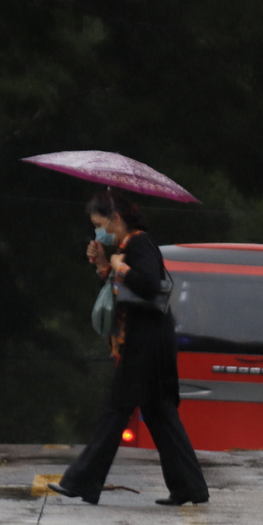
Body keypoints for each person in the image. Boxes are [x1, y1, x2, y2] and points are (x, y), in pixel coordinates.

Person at [49, 189, 210, 506]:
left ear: (116, 219)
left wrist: (118, 266)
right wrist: (102, 266)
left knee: (116, 410)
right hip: (151, 340)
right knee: (160, 413)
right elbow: (123, 292)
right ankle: (189, 487)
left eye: (99, 224)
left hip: (146, 342)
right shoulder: (126, 247)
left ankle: (83, 480)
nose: (98, 231)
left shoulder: (139, 242)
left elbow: (149, 283)